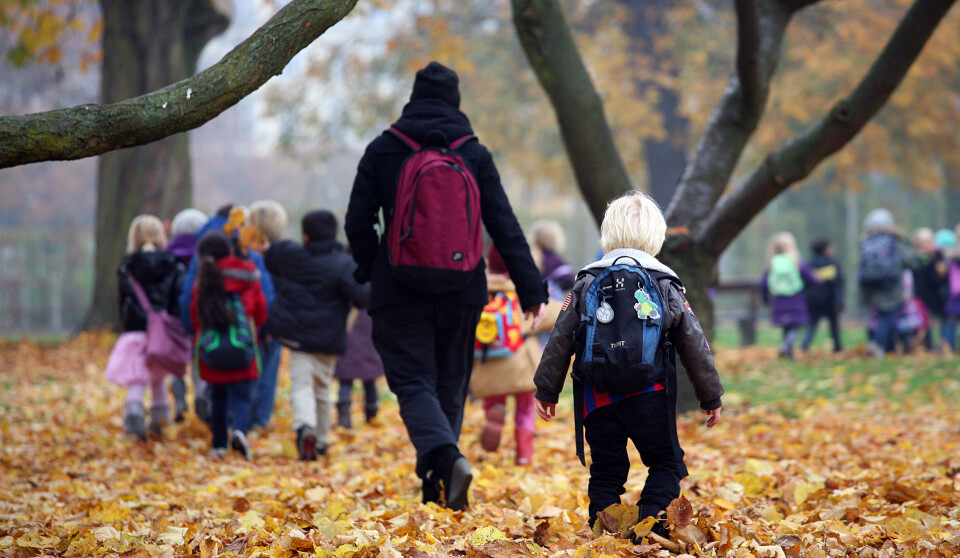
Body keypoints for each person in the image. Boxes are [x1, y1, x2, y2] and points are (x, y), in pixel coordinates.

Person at [345, 61, 547, 510]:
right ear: (455, 102)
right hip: (462, 289)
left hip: (398, 289)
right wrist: (530, 287)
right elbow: (504, 224)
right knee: (451, 384)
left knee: (414, 382)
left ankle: (446, 461)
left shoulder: (383, 148)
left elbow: (357, 221)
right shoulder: (473, 153)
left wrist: (369, 266)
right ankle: (439, 490)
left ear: (413, 98)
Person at [533, 191, 722, 535]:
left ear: (608, 234)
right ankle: (652, 521)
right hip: (649, 395)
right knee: (666, 463)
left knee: (606, 471)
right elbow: (695, 344)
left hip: (597, 398)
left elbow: (560, 338)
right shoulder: (665, 283)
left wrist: (547, 390)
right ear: (656, 237)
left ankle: (604, 530)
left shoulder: (586, 280)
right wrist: (710, 396)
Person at [264, 210, 370, 460]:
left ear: (306, 235)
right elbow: (363, 296)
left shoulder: (293, 256)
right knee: (322, 388)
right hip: (329, 338)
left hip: (297, 337)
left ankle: (305, 426)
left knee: (301, 385)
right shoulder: (343, 264)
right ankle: (321, 440)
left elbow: (272, 255)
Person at [472, 245, 560, 466]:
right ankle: (523, 455)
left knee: (494, 399)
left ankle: (495, 415)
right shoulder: (522, 291)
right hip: (521, 364)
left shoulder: (479, 289)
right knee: (525, 410)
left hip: (488, 363)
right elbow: (549, 314)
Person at [190, 230, 267, 459]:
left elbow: (196, 315)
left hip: (212, 350)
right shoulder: (249, 276)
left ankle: (219, 444)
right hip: (242, 346)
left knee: (218, 397)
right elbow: (261, 312)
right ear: (230, 251)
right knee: (243, 395)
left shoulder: (202, 281)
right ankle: (241, 432)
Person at [109, 215, 186, 440]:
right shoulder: (172, 264)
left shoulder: (127, 266)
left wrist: (129, 324)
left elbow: (123, 300)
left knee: (138, 378)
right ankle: (161, 420)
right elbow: (176, 299)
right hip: (162, 333)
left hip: (136, 330)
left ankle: (133, 415)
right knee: (157, 377)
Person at [246, 200, 287, 432]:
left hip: (246, 320)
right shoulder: (283, 254)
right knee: (268, 370)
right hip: (274, 321)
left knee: (245, 368)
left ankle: (241, 413)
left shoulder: (246, 252)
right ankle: (260, 419)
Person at [164, 208, 208, 422]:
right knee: (199, 360)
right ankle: (201, 396)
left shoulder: (167, 256)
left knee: (176, 363)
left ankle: (179, 399)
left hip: (173, 321)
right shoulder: (205, 256)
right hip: (198, 319)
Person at [857, 209, 918, 357]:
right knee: (888, 315)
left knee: (879, 315)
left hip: (871, 286)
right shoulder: (894, 240)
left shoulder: (866, 241)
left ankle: (888, 348)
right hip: (891, 285)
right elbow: (910, 261)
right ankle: (878, 344)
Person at [760, 232, 819, 359]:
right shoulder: (796, 262)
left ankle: (787, 350)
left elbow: (763, 284)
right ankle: (786, 347)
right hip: (795, 300)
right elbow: (811, 280)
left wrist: (765, 299)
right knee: (795, 327)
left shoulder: (772, 264)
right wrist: (817, 281)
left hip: (778, 301)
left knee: (786, 327)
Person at [333, 309, 383, 429]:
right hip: (368, 325)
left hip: (348, 323)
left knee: (345, 378)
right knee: (369, 379)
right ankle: (372, 419)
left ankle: (343, 419)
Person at [800, 237, 844, 353]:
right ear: (825, 249)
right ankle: (837, 348)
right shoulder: (832, 264)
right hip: (830, 302)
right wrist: (839, 302)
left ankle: (804, 347)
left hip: (813, 302)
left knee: (811, 326)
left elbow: (804, 284)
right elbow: (838, 285)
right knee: (834, 327)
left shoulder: (809, 264)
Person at [911, 228, 948, 351]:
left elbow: (939, 279)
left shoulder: (937, 257)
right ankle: (924, 347)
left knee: (936, 323)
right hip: (919, 298)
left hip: (935, 297)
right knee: (922, 325)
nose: (930, 244)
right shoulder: (915, 259)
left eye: (931, 241)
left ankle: (939, 347)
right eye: (927, 241)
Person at [530, 219, 576, 301]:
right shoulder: (558, 262)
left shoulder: (531, 260)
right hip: (554, 308)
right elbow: (571, 282)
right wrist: (565, 305)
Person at [944, 226, 960, 351]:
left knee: (951, 319)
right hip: (956, 291)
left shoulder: (950, 253)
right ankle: (947, 346)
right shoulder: (954, 253)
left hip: (954, 291)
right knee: (952, 319)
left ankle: (947, 346)